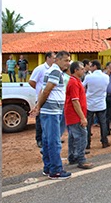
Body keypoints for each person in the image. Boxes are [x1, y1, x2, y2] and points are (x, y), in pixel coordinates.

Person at [29, 51, 71, 180]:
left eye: (69, 61)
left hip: (51, 110)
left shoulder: (53, 71)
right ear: (57, 60)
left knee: (47, 140)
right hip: (52, 111)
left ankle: (48, 167)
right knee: (54, 141)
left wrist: (38, 106)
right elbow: (47, 90)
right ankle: (56, 170)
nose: (68, 63)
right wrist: (39, 106)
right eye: (65, 60)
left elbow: (43, 89)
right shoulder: (55, 71)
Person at [65, 61, 92, 169]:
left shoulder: (74, 81)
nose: (83, 70)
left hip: (72, 114)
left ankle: (73, 156)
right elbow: (75, 101)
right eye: (81, 69)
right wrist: (82, 117)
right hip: (75, 114)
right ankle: (81, 159)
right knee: (81, 136)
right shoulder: (74, 82)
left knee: (73, 136)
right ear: (76, 70)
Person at [29, 52, 55, 148]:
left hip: (51, 98)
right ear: (48, 58)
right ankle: (39, 139)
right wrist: (40, 90)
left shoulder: (54, 69)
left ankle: (51, 138)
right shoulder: (40, 69)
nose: (55, 60)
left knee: (51, 120)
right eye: (53, 58)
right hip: (41, 98)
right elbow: (31, 81)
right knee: (40, 120)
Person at [83, 60, 110, 149]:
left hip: (90, 103)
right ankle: (104, 141)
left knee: (88, 124)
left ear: (94, 66)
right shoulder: (106, 77)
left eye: (91, 66)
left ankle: (87, 143)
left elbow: (83, 87)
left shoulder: (88, 77)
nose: (90, 68)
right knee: (103, 123)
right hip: (101, 103)